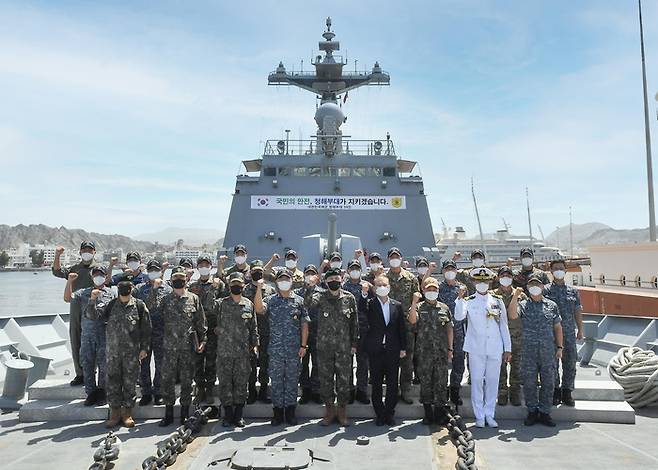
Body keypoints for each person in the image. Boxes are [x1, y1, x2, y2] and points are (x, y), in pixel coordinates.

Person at [90, 273, 151, 428]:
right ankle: (115, 413)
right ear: (117, 288)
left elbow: (146, 329)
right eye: (121, 287)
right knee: (113, 383)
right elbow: (92, 316)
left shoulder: (139, 305)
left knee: (130, 383)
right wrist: (92, 300)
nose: (125, 289)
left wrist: (144, 348)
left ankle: (127, 413)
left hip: (132, 353)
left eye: (127, 287)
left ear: (132, 288)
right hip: (113, 353)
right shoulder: (110, 305)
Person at [455, 267, 512, 428]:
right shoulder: (468, 301)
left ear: (489, 282)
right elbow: (459, 316)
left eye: (485, 281)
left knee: (493, 382)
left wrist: (507, 348)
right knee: (478, 381)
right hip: (475, 348)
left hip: (495, 347)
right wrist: (459, 298)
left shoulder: (497, 300)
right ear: (473, 282)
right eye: (479, 281)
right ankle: (479, 415)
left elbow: (504, 325)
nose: (482, 284)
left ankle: (490, 414)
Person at [254, 271, 309, 426]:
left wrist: (303, 345)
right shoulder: (270, 300)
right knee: (277, 381)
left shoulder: (299, 301)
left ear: (291, 281)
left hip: (293, 350)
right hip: (276, 349)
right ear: (277, 282)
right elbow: (259, 309)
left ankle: (290, 412)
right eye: (281, 279)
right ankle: (278, 413)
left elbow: (304, 324)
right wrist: (258, 288)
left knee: (292, 381)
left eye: (287, 278)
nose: (284, 281)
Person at [510, 274, 563, 427]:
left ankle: (545, 412)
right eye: (531, 284)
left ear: (542, 287)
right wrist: (515, 296)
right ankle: (532, 411)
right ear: (527, 287)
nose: (534, 287)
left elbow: (557, 327)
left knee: (548, 382)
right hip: (528, 352)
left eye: (537, 284)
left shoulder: (551, 305)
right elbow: (512, 315)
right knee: (529, 383)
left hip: (548, 351)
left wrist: (560, 347)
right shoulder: (523, 305)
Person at [308, 267, 358, 426]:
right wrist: (310, 286)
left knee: (344, 381)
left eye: (337, 279)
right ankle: (329, 411)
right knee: (326, 380)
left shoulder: (349, 298)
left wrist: (354, 344)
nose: (334, 282)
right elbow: (308, 303)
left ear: (341, 280)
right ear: (325, 282)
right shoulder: (320, 297)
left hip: (344, 347)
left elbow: (354, 323)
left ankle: (342, 412)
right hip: (325, 347)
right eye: (331, 280)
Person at [159, 267, 207, 427]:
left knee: (187, 381)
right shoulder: (165, 300)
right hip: (169, 348)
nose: (179, 280)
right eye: (175, 277)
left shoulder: (194, 299)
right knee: (167, 380)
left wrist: (203, 341)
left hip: (188, 348)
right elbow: (154, 315)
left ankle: (185, 413)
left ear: (186, 279)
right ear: (171, 280)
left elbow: (201, 323)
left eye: (181, 277)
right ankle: (168, 413)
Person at [358, 275, 407, 426]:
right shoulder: (370, 304)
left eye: (384, 284)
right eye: (378, 285)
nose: (382, 287)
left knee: (393, 383)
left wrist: (403, 347)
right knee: (377, 383)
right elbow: (361, 310)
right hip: (376, 349)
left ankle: (389, 413)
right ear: (374, 288)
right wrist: (364, 294)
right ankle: (379, 413)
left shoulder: (396, 305)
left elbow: (401, 328)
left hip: (393, 349)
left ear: (389, 286)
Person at [64, 266, 115, 406]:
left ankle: (102, 392)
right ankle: (91, 393)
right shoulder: (82, 293)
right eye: (96, 274)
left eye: (101, 274)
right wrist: (69, 282)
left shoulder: (112, 294)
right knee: (87, 364)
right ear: (92, 277)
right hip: (87, 335)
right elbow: (67, 298)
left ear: (105, 277)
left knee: (104, 365)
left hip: (104, 335)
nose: (98, 276)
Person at [52, 240, 101, 386]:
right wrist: (57, 255)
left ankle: (96, 372)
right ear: (80, 252)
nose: (87, 252)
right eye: (84, 249)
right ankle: (80, 373)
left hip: (94, 307)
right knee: (76, 338)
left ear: (94, 252)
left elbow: (109, 281)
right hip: (76, 308)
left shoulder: (99, 268)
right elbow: (57, 272)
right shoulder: (75, 268)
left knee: (96, 340)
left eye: (90, 250)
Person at [213, 272, 259, 427]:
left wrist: (255, 345)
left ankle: (238, 415)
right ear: (229, 286)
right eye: (233, 284)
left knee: (241, 384)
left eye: (239, 283)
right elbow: (207, 306)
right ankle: (228, 415)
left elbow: (253, 327)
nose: (236, 286)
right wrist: (213, 289)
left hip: (243, 353)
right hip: (224, 352)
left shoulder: (248, 304)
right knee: (225, 384)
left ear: (243, 285)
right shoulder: (221, 303)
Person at [410, 277, 453, 425]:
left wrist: (450, 348)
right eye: (429, 289)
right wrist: (414, 302)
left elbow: (449, 329)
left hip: (441, 352)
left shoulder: (444, 308)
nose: (432, 291)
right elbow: (412, 321)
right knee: (426, 383)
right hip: (424, 353)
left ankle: (440, 413)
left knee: (441, 382)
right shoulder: (419, 307)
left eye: (434, 289)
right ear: (424, 290)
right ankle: (428, 413)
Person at [544, 259, 583, 407]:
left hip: (569, 333)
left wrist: (580, 329)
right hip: (551, 334)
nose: (558, 271)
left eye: (561, 268)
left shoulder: (573, 291)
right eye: (555, 269)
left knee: (570, 363)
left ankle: (567, 392)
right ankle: (555, 391)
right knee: (552, 364)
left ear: (565, 271)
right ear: (551, 271)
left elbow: (577, 310)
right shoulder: (546, 290)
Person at [133, 259, 172, 406]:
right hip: (144, 332)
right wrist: (154, 290)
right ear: (147, 272)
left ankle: (159, 391)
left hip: (161, 331)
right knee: (144, 364)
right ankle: (146, 392)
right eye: (151, 270)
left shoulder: (168, 289)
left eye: (156, 269)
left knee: (161, 363)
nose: (154, 272)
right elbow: (139, 308)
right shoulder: (139, 289)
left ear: (160, 272)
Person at [188, 255, 225, 404]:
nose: (204, 267)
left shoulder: (219, 284)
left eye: (206, 264)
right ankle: (199, 389)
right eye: (201, 264)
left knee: (211, 360)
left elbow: (225, 306)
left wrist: (220, 325)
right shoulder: (192, 286)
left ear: (211, 266)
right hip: (196, 329)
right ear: (198, 267)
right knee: (197, 360)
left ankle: (209, 390)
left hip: (212, 327)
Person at [385, 247, 420, 404]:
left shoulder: (411, 278)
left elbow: (417, 299)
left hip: (407, 324)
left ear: (401, 258)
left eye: (396, 256)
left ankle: (405, 390)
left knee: (407, 358)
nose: (394, 258)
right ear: (388, 259)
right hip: (389, 325)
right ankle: (392, 390)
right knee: (390, 359)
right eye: (392, 256)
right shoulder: (383, 278)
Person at [242, 260, 276, 404]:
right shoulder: (244, 290)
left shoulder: (270, 290)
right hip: (249, 332)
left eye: (259, 270)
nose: (257, 273)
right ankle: (251, 391)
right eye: (254, 270)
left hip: (266, 331)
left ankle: (263, 390)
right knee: (250, 362)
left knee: (265, 362)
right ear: (250, 272)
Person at [495, 266, 527, 407]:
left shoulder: (521, 295)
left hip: (517, 335)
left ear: (513, 277)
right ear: (498, 277)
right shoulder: (492, 294)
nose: (506, 277)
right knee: (499, 366)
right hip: (498, 336)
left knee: (517, 366)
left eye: (508, 275)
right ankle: (502, 392)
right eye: (503, 275)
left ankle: (515, 392)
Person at [438, 259, 466, 406]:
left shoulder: (462, 288)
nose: (450, 271)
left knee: (459, 362)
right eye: (447, 269)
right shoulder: (437, 288)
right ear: (443, 271)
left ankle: (455, 389)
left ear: (456, 271)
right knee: (442, 362)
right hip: (442, 332)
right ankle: (443, 391)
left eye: (452, 269)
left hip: (459, 331)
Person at [342, 259, 370, 405]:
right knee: (347, 362)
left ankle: (362, 391)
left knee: (363, 362)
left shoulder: (367, 287)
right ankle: (349, 391)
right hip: (346, 329)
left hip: (364, 328)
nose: (354, 271)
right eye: (352, 268)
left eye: (357, 268)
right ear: (347, 271)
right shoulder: (343, 287)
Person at [295, 264, 323, 405]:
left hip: (318, 333)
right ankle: (305, 390)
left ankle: (316, 391)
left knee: (317, 363)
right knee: (303, 364)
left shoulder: (323, 292)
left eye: (313, 273)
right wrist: (307, 288)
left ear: (317, 277)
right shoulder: (298, 293)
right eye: (308, 273)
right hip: (302, 334)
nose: (310, 276)